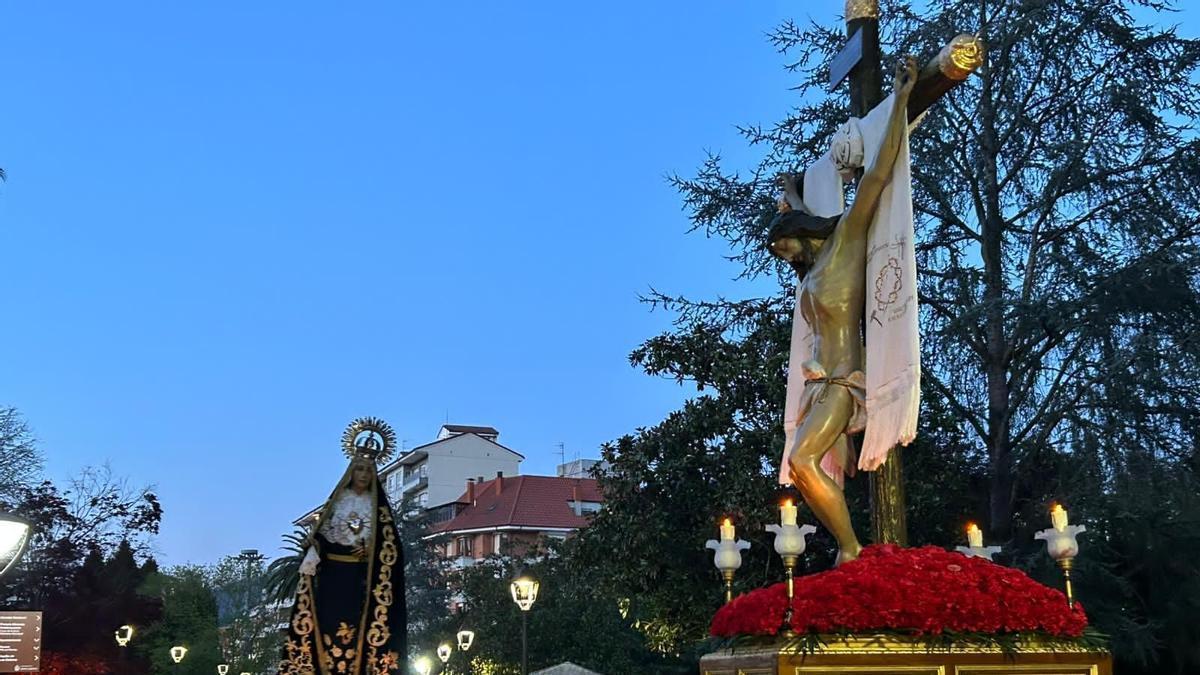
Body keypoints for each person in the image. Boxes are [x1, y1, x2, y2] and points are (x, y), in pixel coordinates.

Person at [767, 56, 918, 565]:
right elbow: (795, 199)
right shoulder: (808, 276)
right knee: (803, 466)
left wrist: (899, 101)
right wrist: (791, 189)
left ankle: (850, 550)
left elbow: (875, 177)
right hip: (818, 387)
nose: (782, 257)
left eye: (782, 246)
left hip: (840, 384)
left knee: (803, 462)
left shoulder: (846, 246)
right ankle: (847, 549)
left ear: (802, 234)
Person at [279, 442, 406, 675]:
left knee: (360, 634)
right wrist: (313, 545)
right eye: (360, 469)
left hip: (361, 585)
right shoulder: (337, 503)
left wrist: (371, 552)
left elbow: (392, 549)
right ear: (351, 472)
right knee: (328, 630)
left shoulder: (378, 509)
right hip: (332, 581)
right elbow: (321, 539)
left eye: (369, 470)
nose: (364, 475)